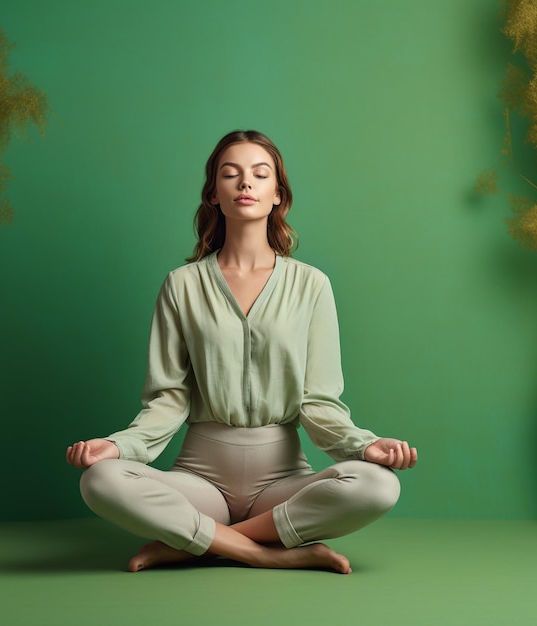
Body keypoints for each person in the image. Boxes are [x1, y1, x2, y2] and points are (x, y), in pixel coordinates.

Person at [66, 130, 417, 574]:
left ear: (277, 194)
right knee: (100, 480)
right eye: (230, 174)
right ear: (214, 194)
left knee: (378, 486)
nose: (245, 183)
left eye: (259, 174)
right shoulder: (182, 284)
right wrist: (117, 447)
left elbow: (319, 401)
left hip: (281, 484)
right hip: (199, 482)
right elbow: (168, 398)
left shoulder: (311, 285)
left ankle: (195, 542)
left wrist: (366, 447)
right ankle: (264, 553)